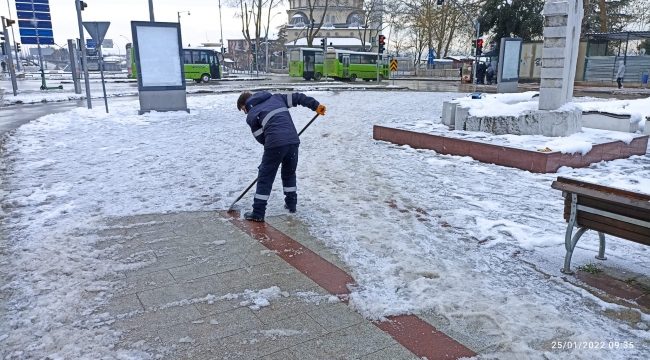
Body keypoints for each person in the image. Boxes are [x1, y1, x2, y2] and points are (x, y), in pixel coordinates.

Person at [238, 91, 326, 222]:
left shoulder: (252, 114)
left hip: (275, 144)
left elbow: (261, 138)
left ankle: (258, 212)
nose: (245, 112)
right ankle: (291, 205)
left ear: (246, 103)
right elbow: (298, 97)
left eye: (243, 109)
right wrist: (316, 106)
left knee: (265, 177)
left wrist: (272, 152)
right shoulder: (276, 98)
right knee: (289, 173)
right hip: (293, 141)